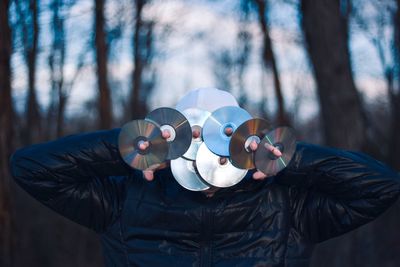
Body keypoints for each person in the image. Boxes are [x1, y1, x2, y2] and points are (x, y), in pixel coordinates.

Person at [9, 89, 400, 267]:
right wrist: (133, 146)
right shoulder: (125, 201)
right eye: (193, 141)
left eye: (223, 141)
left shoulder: (286, 208)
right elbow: (31, 168)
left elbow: (380, 186)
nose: (206, 155)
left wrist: (282, 156)